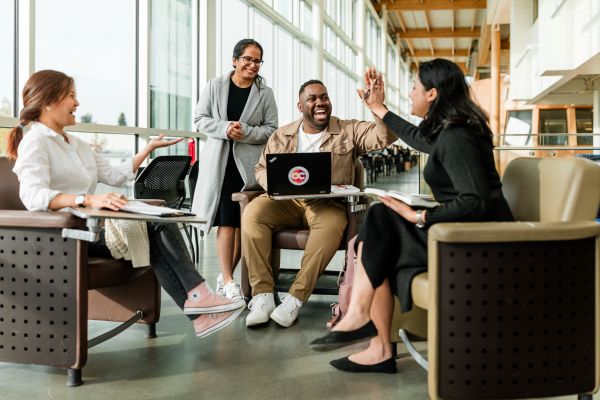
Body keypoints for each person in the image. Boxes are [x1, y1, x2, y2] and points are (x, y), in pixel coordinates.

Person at [311, 60, 514, 373]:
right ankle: (368, 330)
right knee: (379, 221)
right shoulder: (450, 129)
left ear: (432, 93)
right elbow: (417, 138)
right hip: (463, 230)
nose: (410, 94)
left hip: (476, 239)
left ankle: (367, 326)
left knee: (381, 227)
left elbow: (475, 201)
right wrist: (379, 108)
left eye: (415, 88)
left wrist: (419, 216)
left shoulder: (456, 137)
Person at [8, 69, 246, 338]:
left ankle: (199, 310)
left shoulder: (76, 144)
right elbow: (33, 196)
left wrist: (148, 149)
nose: (77, 104)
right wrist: (85, 199)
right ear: (49, 101)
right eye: (71, 96)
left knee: (155, 226)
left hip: (91, 229)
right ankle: (199, 298)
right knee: (153, 227)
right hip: (65, 235)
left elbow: (114, 174)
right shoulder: (35, 143)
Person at [242, 79, 396, 328]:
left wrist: (377, 108)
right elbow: (260, 168)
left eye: (324, 97)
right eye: (312, 99)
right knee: (253, 213)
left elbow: (384, 137)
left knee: (332, 223)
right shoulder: (282, 135)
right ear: (300, 105)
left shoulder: (349, 130)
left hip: (327, 204)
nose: (320, 102)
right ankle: (262, 296)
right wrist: (272, 184)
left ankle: (295, 298)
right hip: (287, 202)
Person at [192, 39, 278, 301]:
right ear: (235, 60)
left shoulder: (265, 93)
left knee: (244, 224)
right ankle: (229, 279)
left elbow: (272, 129)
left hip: (247, 168)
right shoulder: (215, 86)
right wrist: (225, 128)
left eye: (257, 61)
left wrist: (245, 132)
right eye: (248, 59)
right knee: (226, 224)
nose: (253, 65)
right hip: (220, 165)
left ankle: (225, 276)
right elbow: (199, 119)